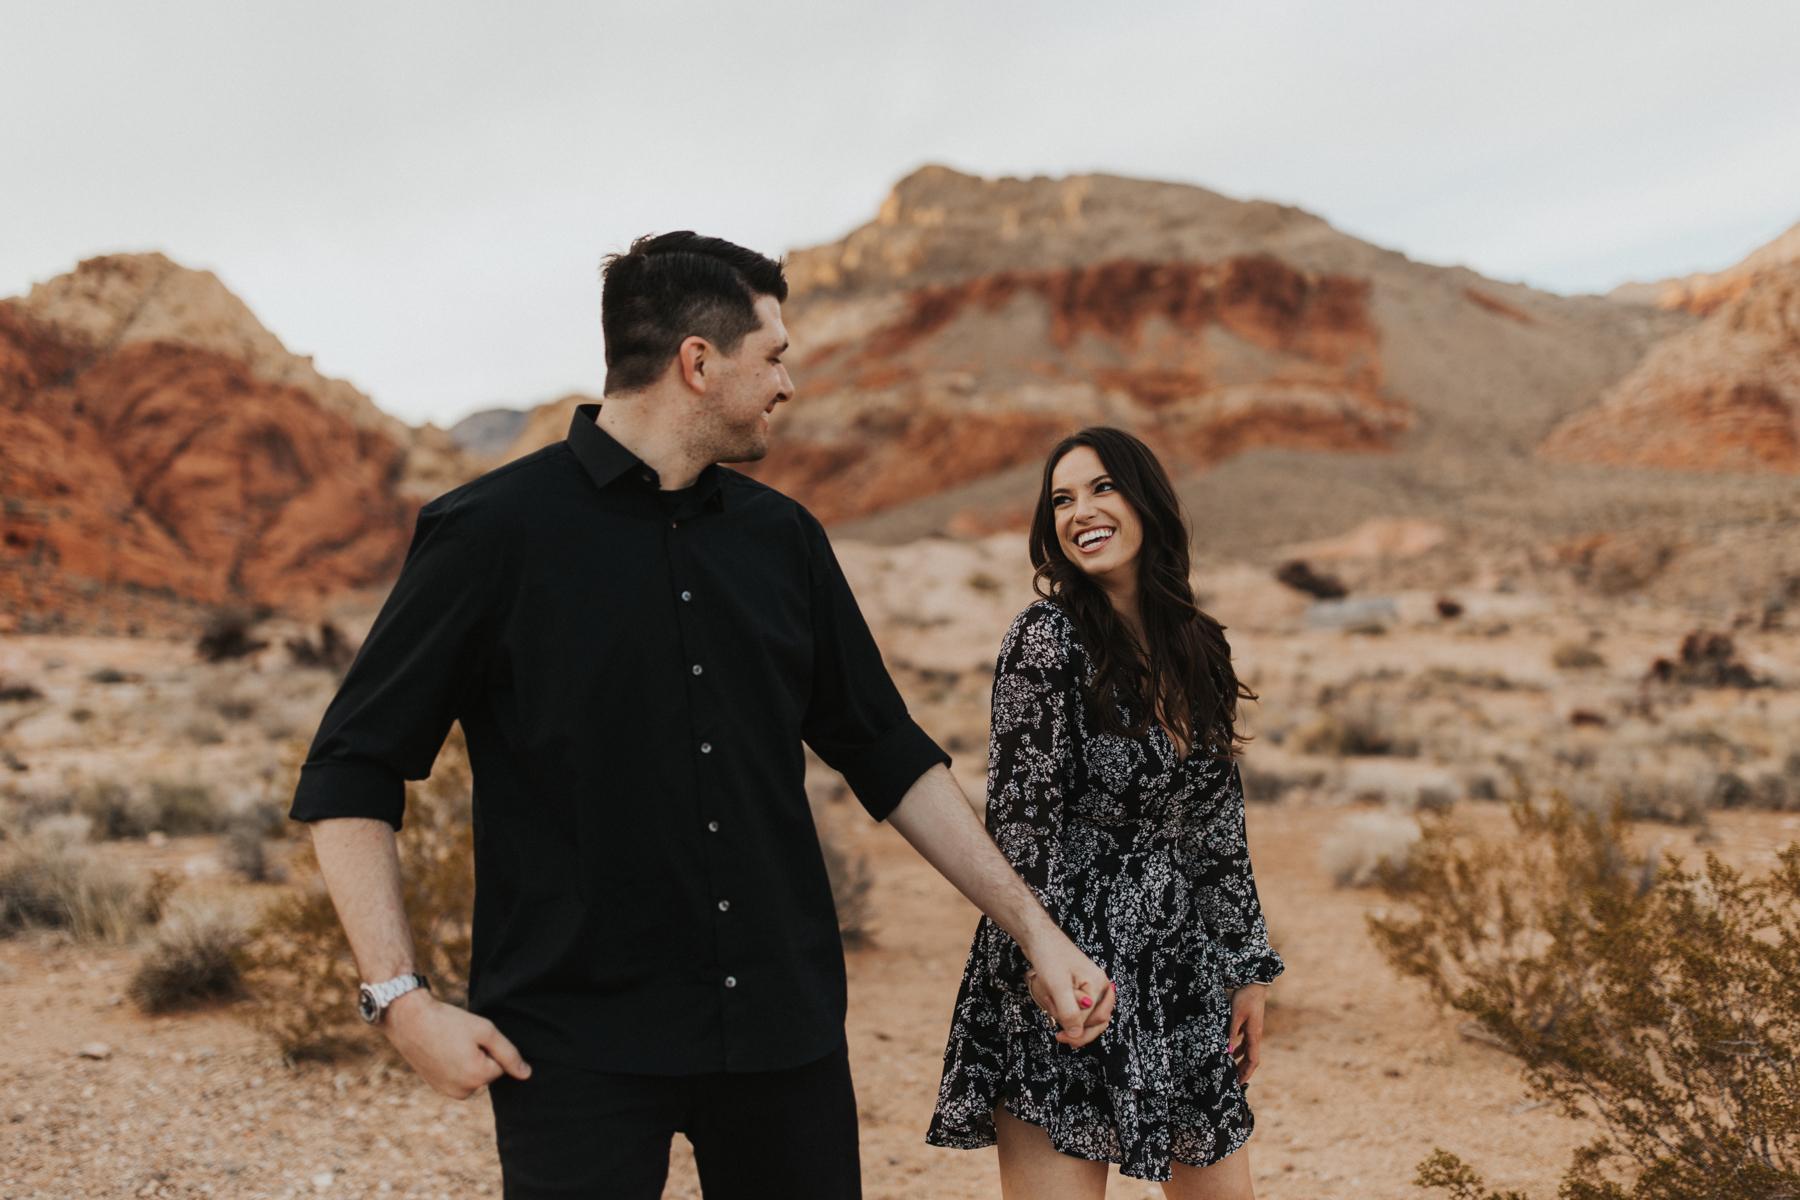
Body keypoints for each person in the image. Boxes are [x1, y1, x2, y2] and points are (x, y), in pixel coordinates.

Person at [287, 232, 1117, 1200]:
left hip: (781, 1037)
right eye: (774, 356)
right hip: (572, 1048)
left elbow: (888, 754)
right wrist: (400, 1002)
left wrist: (1036, 933)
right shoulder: (488, 535)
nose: (787, 384)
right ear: (698, 362)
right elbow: (350, 769)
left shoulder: (784, 541)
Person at [924, 427, 1285, 1198]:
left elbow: (1217, 828)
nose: (1079, 511)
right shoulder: (1046, 640)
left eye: (1101, 488)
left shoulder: (1199, 645)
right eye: (1061, 499)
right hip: (1069, 966)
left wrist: (1246, 971)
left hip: (1180, 971)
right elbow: (1021, 829)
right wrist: (1042, 962)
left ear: (1145, 500)